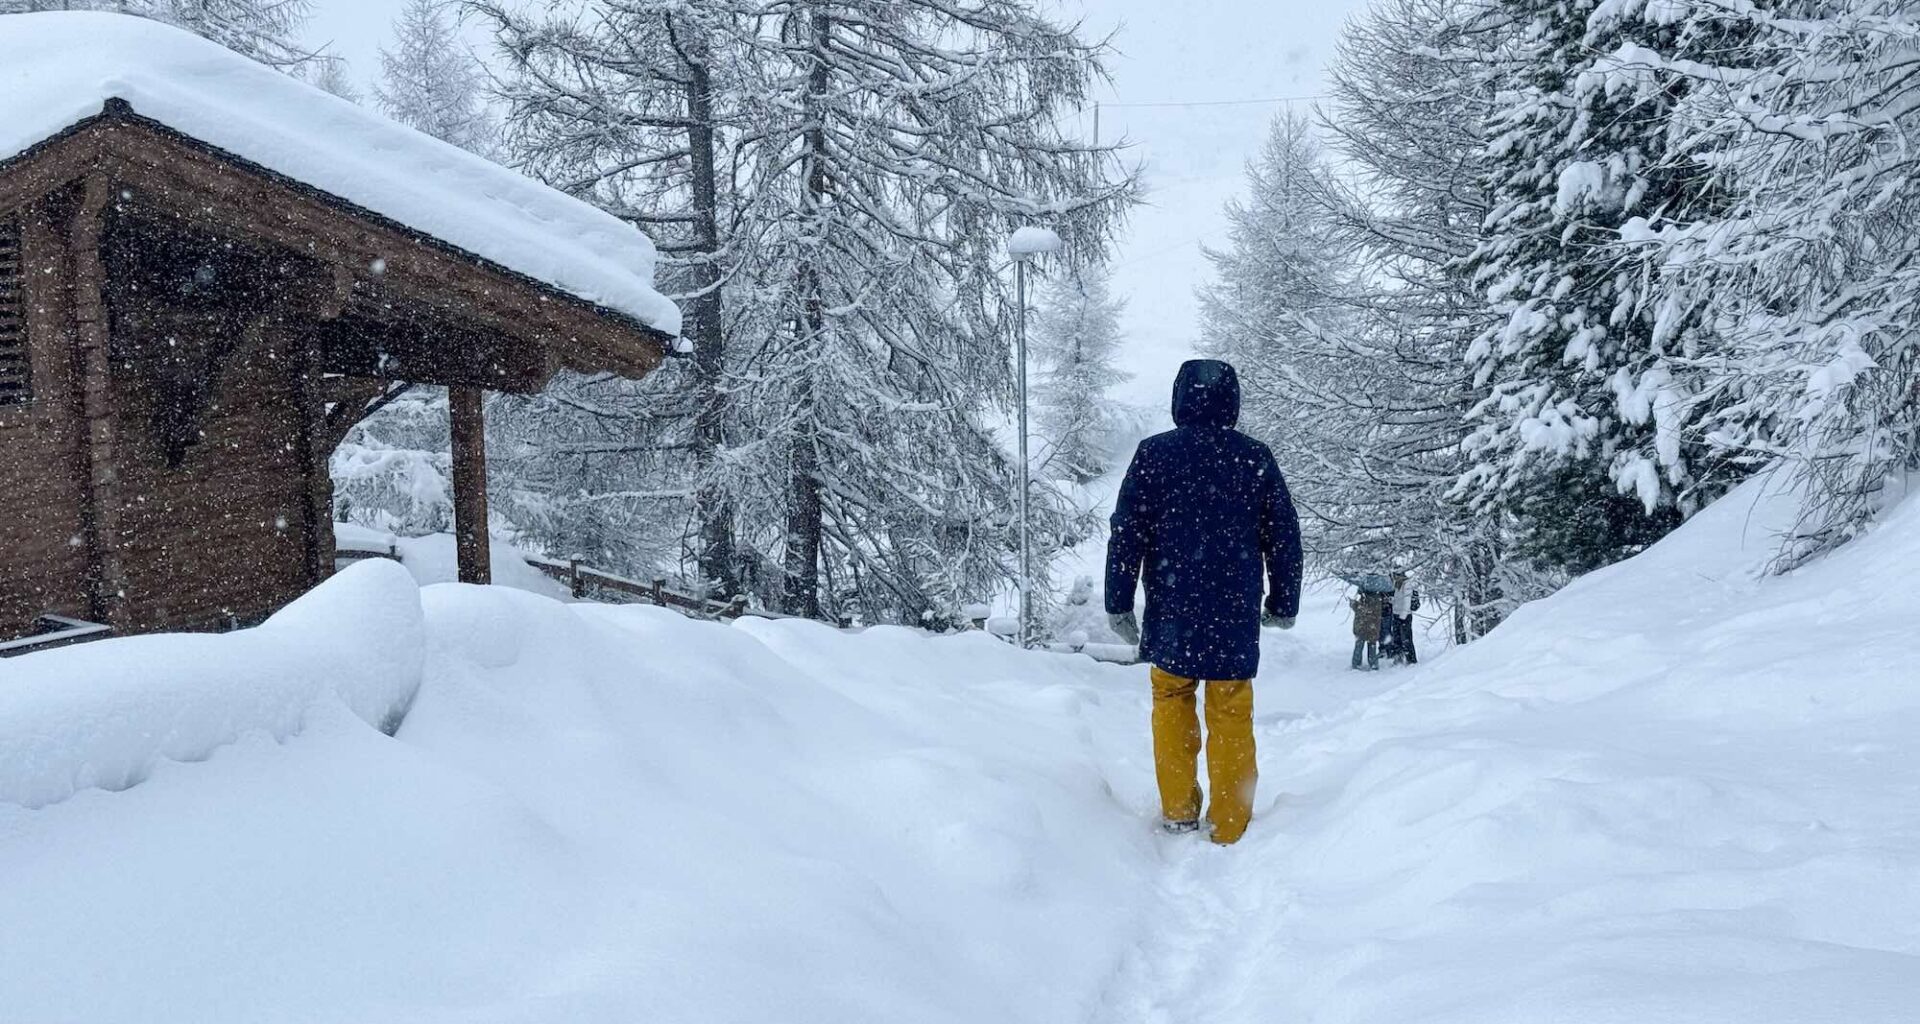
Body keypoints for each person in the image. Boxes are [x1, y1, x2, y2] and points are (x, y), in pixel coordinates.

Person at [1105, 359, 1303, 845]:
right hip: (1232, 611)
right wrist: (1283, 601)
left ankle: (1177, 809)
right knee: (1231, 708)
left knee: (1171, 700)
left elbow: (1126, 534)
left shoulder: (1154, 455)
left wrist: (1119, 602)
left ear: (1179, 399)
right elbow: (1283, 536)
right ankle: (1230, 824)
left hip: (1172, 608)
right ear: (1232, 401)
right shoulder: (1253, 456)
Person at [1350, 588, 1385, 671]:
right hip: (1373, 626)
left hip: (1364, 625)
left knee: (1360, 644)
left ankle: (1357, 664)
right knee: (1371, 644)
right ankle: (1373, 663)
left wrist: (1354, 604)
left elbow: (1363, 610)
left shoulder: (1369, 598)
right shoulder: (1377, 597)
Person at [1389, 571, 1420, 665]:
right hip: (1396, 613)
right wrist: (1392, 601)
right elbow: (1399, 599)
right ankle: (1398, 657)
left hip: (1404, 616)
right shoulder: (1398, 584)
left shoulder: (1407, 584)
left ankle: (1411, 659)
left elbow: (1407, 601)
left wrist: (1403, 616)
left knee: (1406, 638)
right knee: (1397, 638)